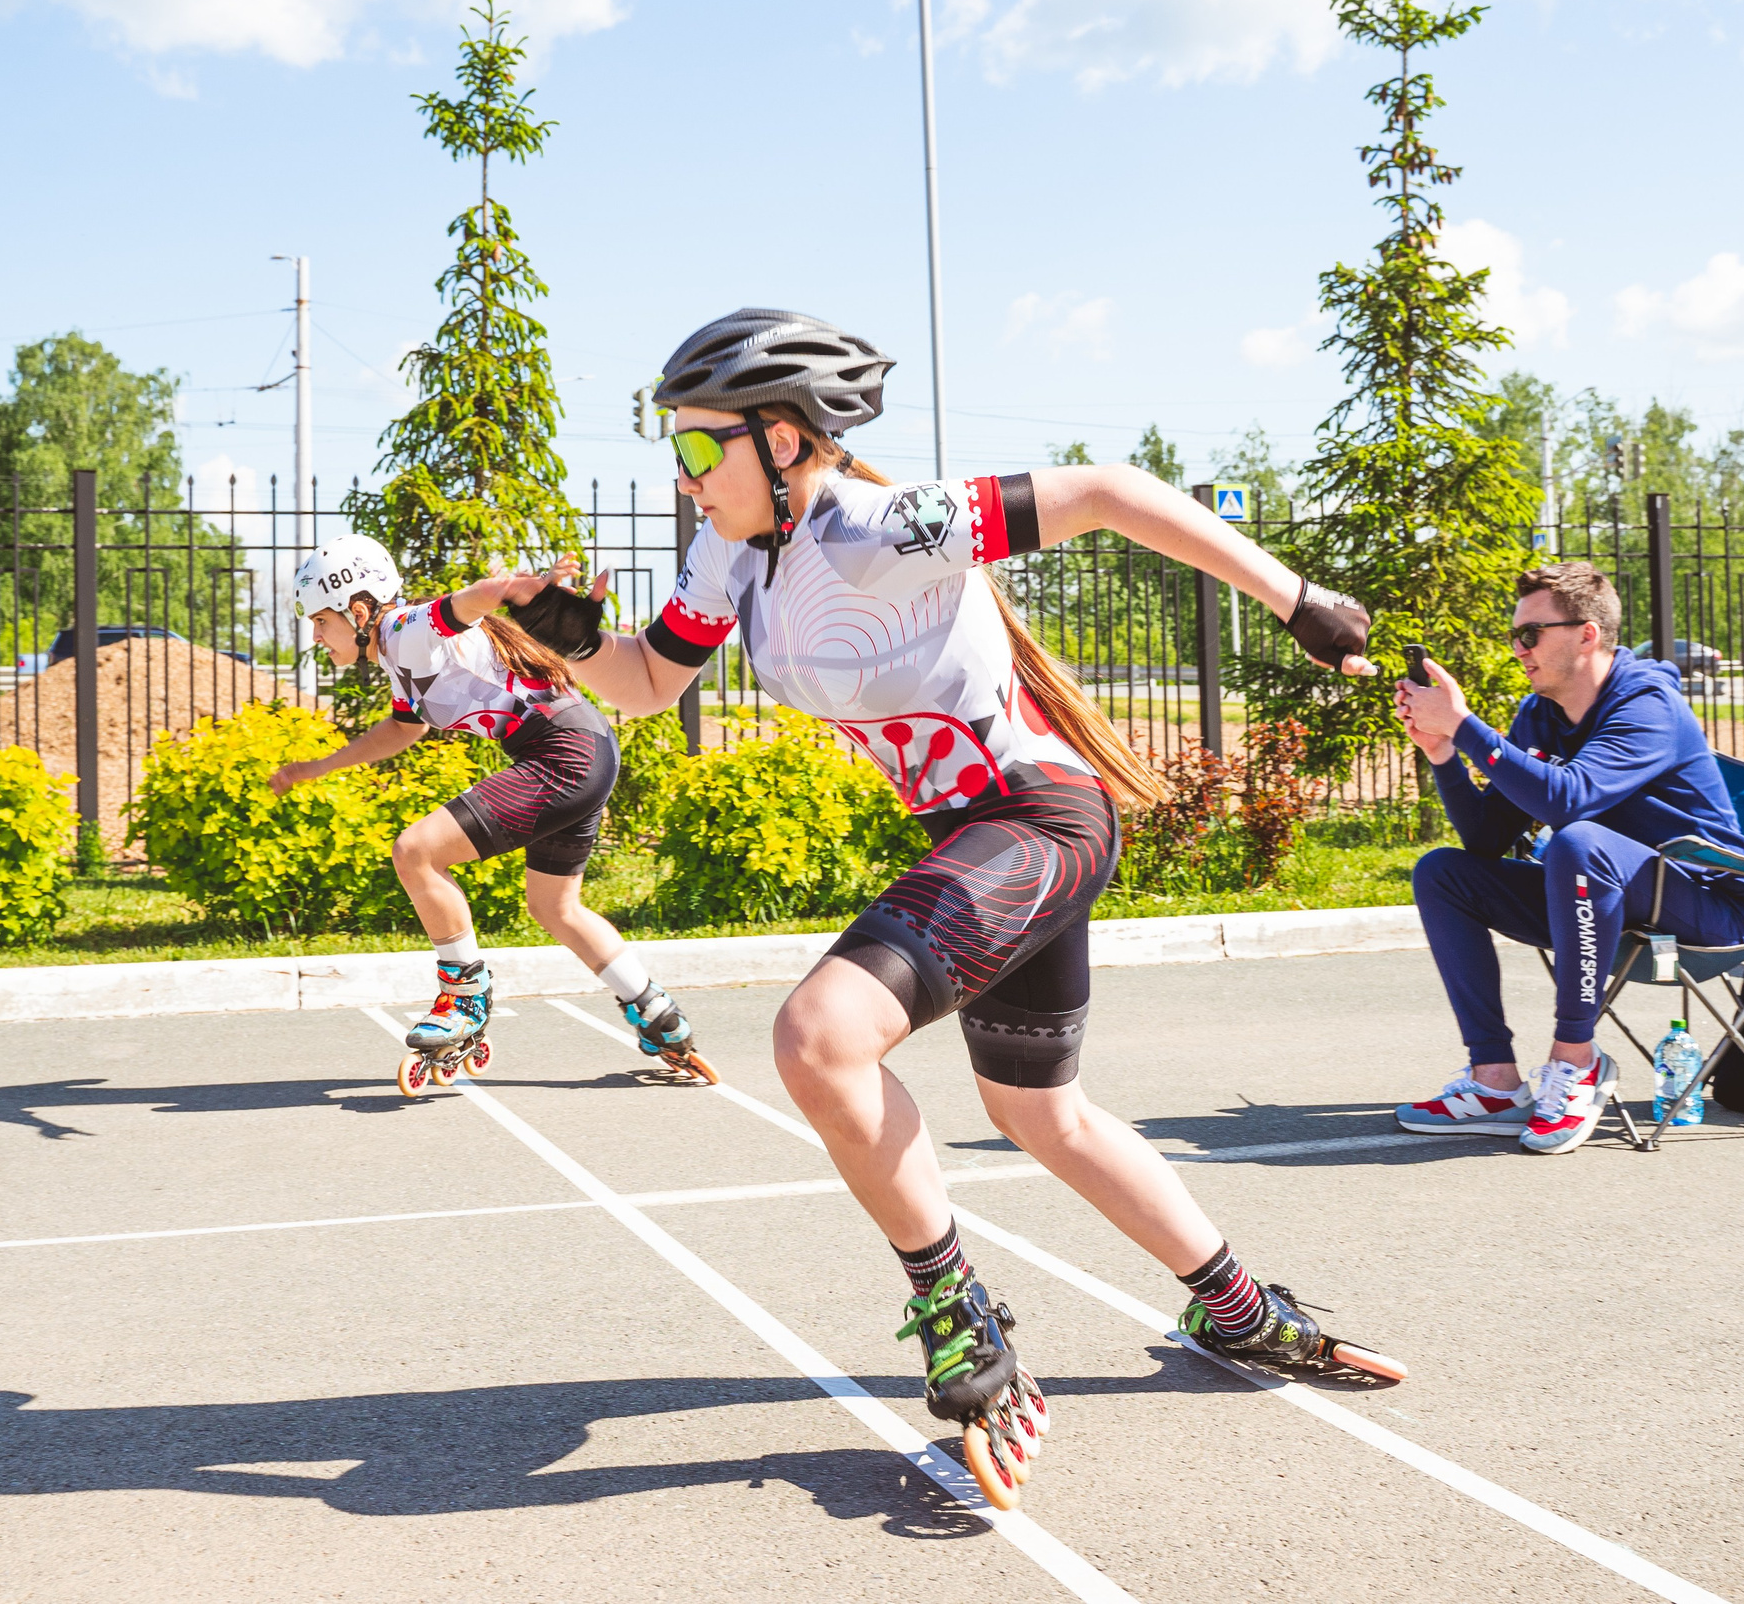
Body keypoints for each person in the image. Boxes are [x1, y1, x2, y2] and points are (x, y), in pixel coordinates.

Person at [494, 308, 1401, 1510]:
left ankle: (957, 1313)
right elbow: (650, 683)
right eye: (674, 448)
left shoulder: (880, 526)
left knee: (819, 1037)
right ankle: (1238, 1310)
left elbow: (1109, 493)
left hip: (1040, 820)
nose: (683, 474)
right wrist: (567, 636)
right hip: (977, 837)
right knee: (1039, 1113)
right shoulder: (730, 555)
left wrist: (1296, 598)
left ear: (781, 440)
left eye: (701, 447)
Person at [273, 535, 715, 1092]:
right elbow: (402, 729)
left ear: (358, 612)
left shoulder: (405, 631)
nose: (315, 636)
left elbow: (466, 604)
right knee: (554, 906)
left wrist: (512, 589)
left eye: (320, 621)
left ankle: (464, 996)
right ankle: (659, 1016)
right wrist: (315, 768)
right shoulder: (399, 655)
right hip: (585, 748)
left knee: (415, 853)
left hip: (565, 755)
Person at [1392, 562, 1744, 1155]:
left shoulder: (1648, 704)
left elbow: (1568, 799)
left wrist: (1464, 724)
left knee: (1578, 841)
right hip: (1600, 899)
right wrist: (1443, 754)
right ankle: (1494, 1082)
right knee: (1443, 873)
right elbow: (1485, 838)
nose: (1518, 648)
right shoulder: (1540, 714)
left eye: (1531, 634)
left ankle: (1577, 1060)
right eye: (1515, 635)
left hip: (1706, 908)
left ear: (1587, 634)